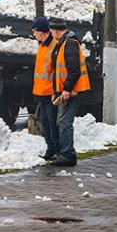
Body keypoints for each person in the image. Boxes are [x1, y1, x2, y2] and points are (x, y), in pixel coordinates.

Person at [46, 17, 91, 167]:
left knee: (65, 122)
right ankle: (64, 153)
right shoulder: (64, 43)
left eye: (51, 31)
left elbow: (74, 70)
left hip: (70, 91)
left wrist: (66, 89)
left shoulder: (69, 44)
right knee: (62, 122)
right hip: (65, 90)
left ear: (55, 30)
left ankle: (68, 155)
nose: (51, 34)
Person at [30, 16, 59, 162]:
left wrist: (56, 91)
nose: (34, 35)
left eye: (35, 32)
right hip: (41, 91)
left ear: (42, 32)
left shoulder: (54, 46)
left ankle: (56, 149)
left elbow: (55, 71)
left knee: (52, 121)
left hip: (50, 92)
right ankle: (50, 148)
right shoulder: (41, 46)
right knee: (45, 121)